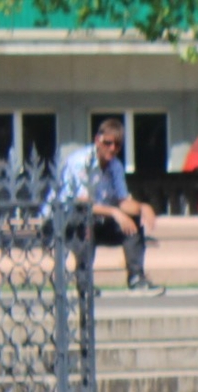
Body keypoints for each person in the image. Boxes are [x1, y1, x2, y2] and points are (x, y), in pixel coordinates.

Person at [56, 118, 162, 296]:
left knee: (133, 221)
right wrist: (114, 212)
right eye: (108, 143)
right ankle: (84, 283)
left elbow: (122, 201)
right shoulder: (80, 162)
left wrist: (143, 207)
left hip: (99, 217)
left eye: (117, 145)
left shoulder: (115, 165)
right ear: (98, 139)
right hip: (68, 222)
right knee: (85, 219)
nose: (112, 149)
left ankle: (136, 278)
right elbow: (82, 203)